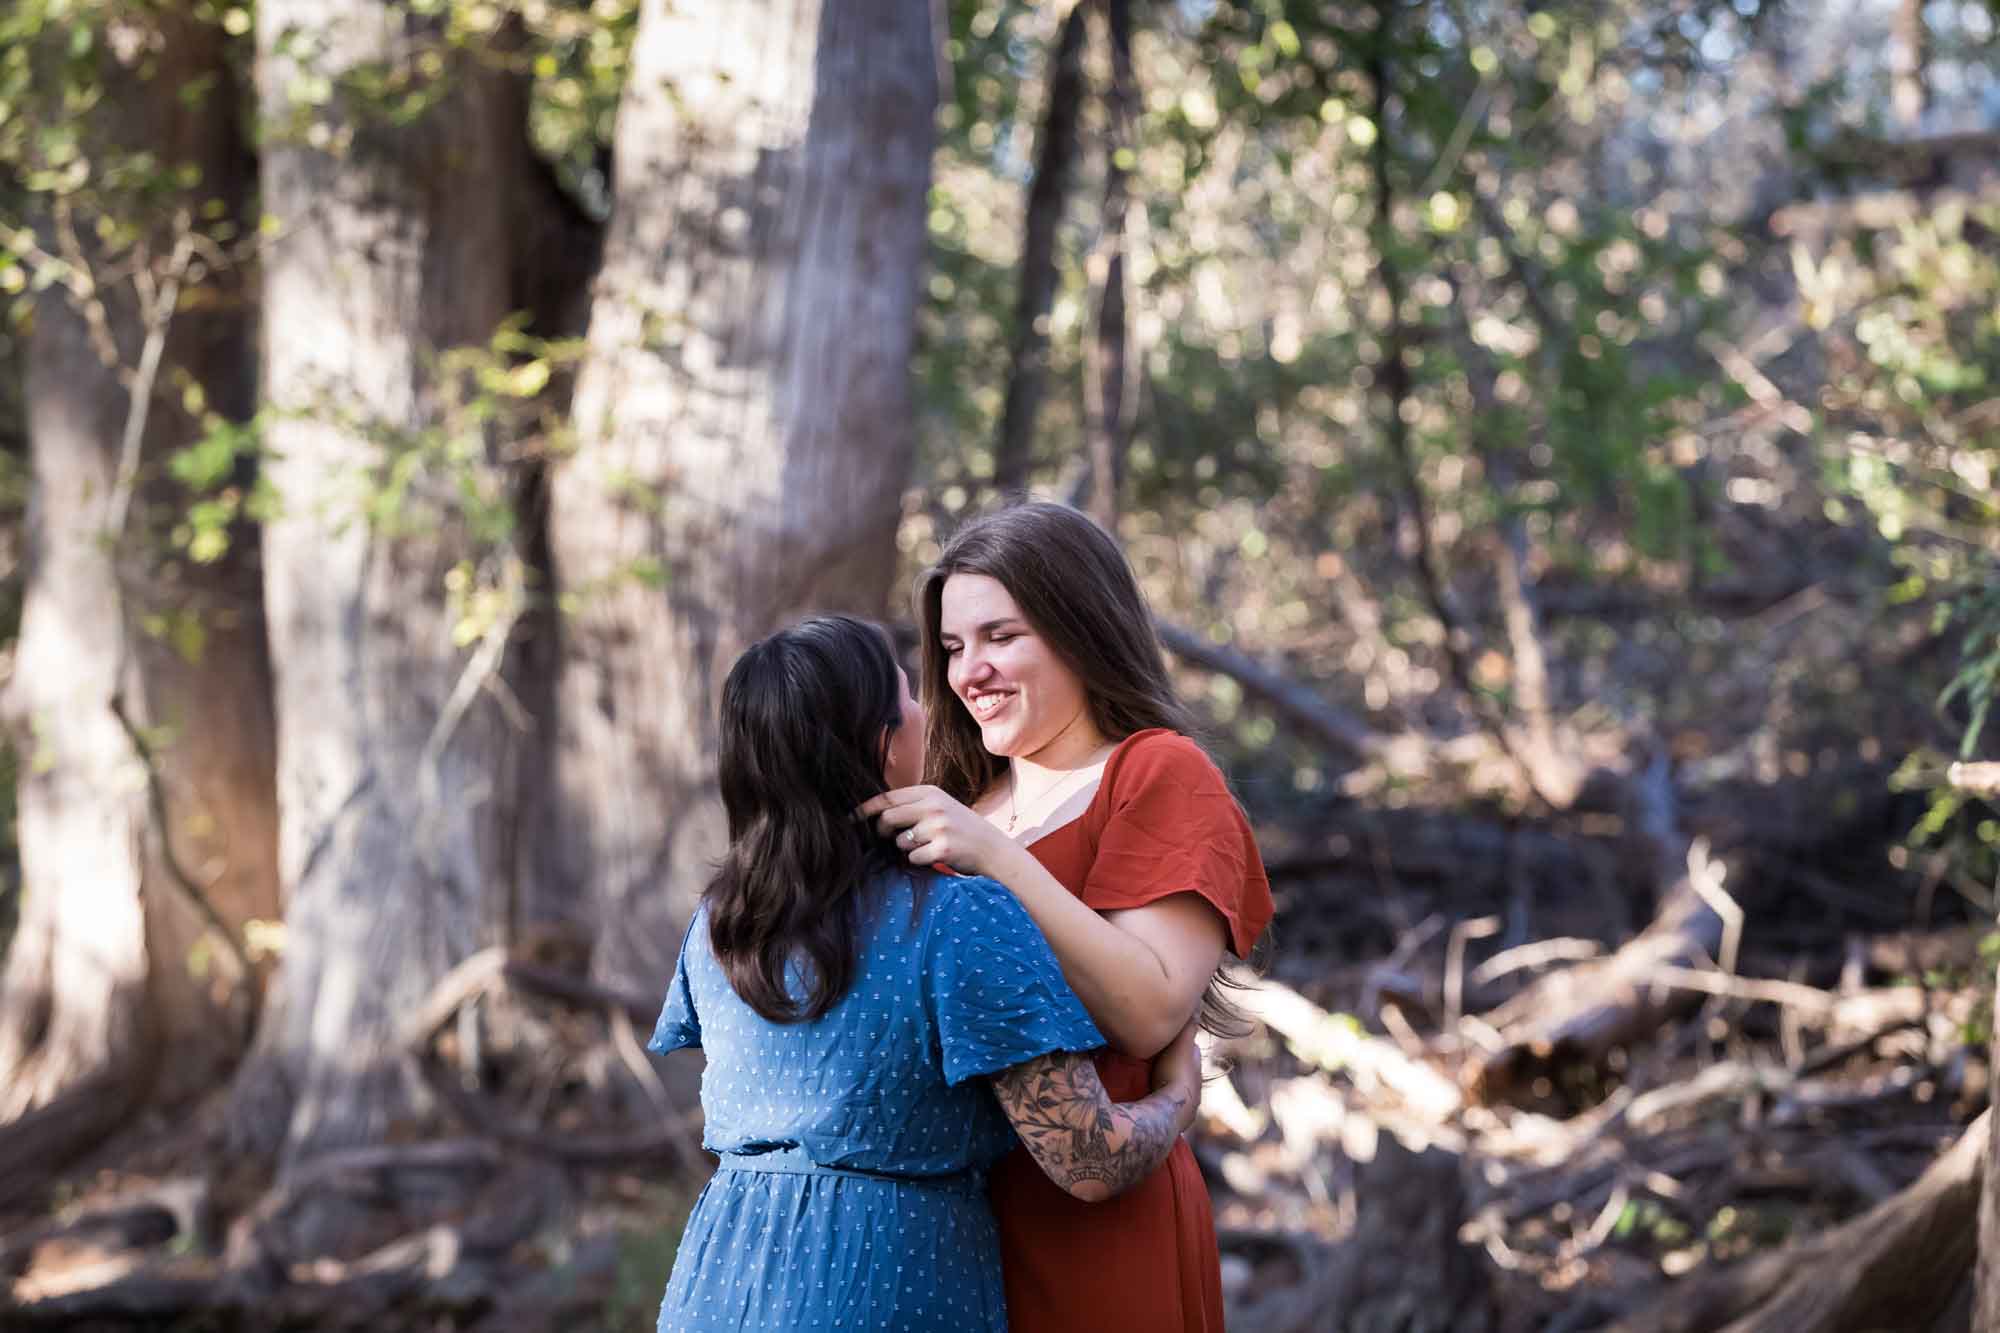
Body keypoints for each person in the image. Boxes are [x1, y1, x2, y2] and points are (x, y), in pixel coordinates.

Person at [648, 614, 1203, 1333]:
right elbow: (1087, 1158)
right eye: (909, 694)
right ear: (884, 745)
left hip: (718, 1284)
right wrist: (1175, 1098)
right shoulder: (959, 918)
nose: (929, 708)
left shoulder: (719, 925)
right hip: (883, 1285)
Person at [862, 501, 1276, 1333]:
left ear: (1079, 628)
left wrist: (996, 855)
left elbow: (1151, 1007)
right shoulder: (953, 801)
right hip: (939, 1240)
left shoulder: (1157, 773)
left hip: (1096, 1226)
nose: (968, 670)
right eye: (951, 647)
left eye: (1001, 637)